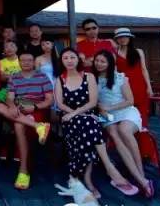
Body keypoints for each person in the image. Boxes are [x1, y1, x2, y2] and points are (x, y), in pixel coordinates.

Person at [54, 48, 138, 198]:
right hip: (69, 117)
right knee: (90, 126)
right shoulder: (60, 80)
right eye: (65, 58)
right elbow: (60, 104)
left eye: (72, 57)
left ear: (78, 60)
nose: (69, 61)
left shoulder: (89, 76)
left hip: (87, 114)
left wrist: (77, 113)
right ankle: (107, 169)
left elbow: (93, 102)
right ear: (61, 61)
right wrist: (74, 114)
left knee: (89, 126)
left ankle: (87, 178)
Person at [93, 50, 154, 197]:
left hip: (125, 110)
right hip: (105, 115)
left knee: (124, 131)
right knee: (115, 135)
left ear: (110, 63)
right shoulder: (92, 79)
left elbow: (130, 101)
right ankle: (142, 181)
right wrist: (103, 110)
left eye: (103, 61)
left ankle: (140, 174)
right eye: (97, 61)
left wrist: (110, 107)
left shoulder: (119, 77)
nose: (99, 64)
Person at [0, 51, 52, 190]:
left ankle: (23, 170)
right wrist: (12, 106)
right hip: (19, 107)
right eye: (23, 60)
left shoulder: (42, 77)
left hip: (36, 108)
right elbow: (10, 97)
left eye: (29, 60)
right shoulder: (14, 77)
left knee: (18, 125)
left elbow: (49, 100)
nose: (26, 63)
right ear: (19, 62)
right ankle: (39, 126)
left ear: (34, 62)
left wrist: (34, 107)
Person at [114, 27, 154, 128]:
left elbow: (144, 69)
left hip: (140, 85)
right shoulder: (114, 53)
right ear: (117, 39)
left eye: (125, 36)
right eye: (120, 37)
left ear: (130, 38)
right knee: (126, 113)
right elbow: (114, 73)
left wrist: (149, 87)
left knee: (142, 112)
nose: (123, 39)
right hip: (124, 87)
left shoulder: (139, 51)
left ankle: (143, 134)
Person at [35, 35, 61, 125]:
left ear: (52, 44)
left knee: (56, 112)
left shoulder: (58, 58)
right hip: (44, 86)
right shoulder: (38, 59)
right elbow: (37, 75)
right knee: (46, 111)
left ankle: (56, 130)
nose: (45, 46)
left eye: (47, 43)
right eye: (42, 44)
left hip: (57, 85)